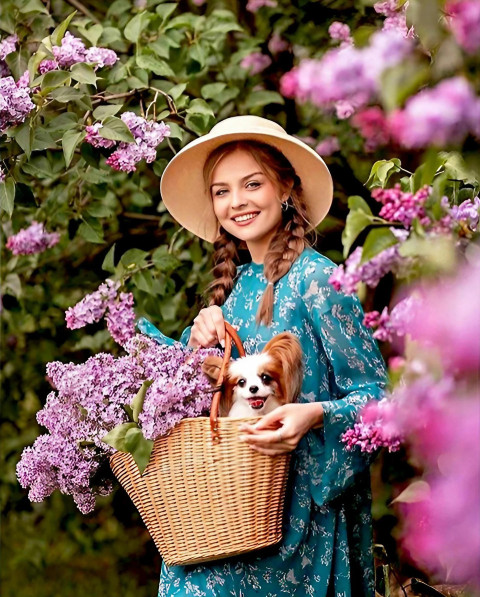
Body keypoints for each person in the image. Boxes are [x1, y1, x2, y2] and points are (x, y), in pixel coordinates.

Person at [148, 115, 387, 596]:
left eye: (252, 184)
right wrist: (193, 345)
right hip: (221, 515)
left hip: (298, 527)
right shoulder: (232, 289)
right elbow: (197, 404)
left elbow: (380, 403)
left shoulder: (319, 283)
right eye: (221, 191)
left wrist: (315, 415)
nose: (236, 202)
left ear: (286, 189)